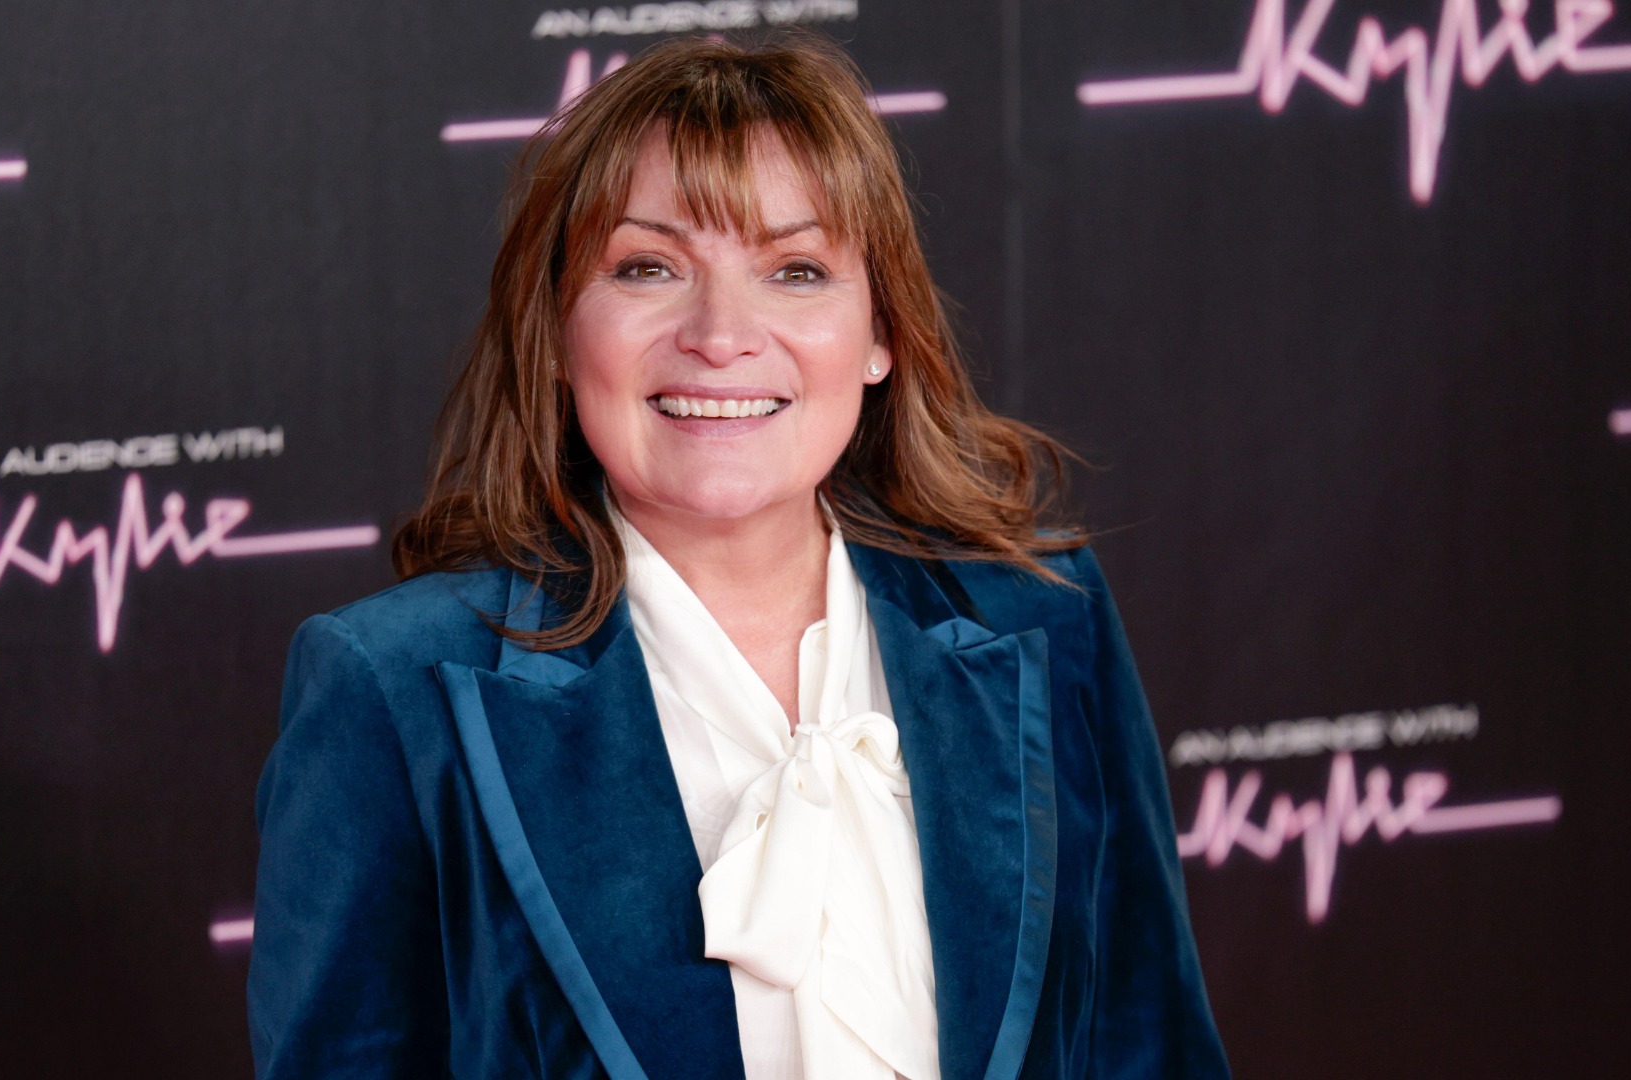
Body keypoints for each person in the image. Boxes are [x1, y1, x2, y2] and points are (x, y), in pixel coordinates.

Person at [247, 31, 1228, 1080]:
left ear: (880, 333)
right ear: (559, 329)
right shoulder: (391, 692)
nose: (722, 333)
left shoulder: (1042, 615)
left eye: (795, 270)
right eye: (649, 267)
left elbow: (1149, 1046)